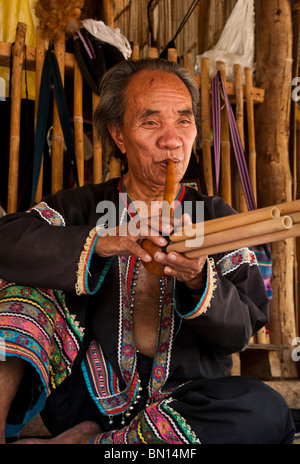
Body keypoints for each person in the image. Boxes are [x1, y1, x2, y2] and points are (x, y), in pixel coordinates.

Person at [0, 58, 295, 444]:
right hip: (81, 399)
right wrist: (104, 241)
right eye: (151, 122)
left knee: (265, 411)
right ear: (119, 135)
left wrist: (197, 278)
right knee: (25, 286)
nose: (171, 140)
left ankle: (97, 445)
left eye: (184, 121)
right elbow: (7, 241)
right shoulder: (84, 207)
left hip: (182, 404)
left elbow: (242, 330)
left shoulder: (216, 218)